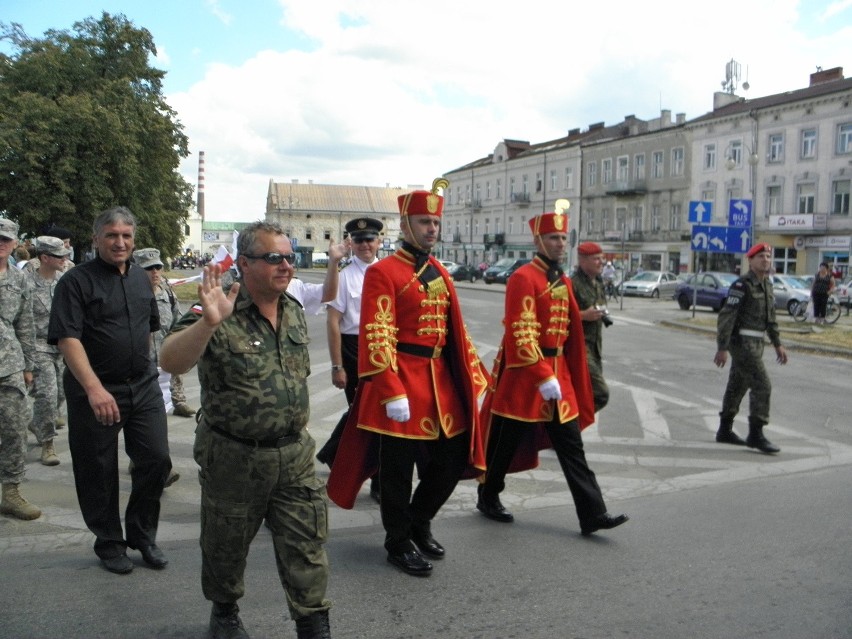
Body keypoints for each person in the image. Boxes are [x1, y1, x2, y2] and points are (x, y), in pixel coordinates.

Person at [159, 221, 332, 639]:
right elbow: (170, 361)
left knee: (306, 548)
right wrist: (208, 325)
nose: (286, 265)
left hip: (293, 456)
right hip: (235, 457)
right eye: (274, 258)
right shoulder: (217, 306)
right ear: (245, 263)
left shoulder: (291, 308)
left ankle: (314, 625)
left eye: (289, 257)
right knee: (226, 545)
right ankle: (225, 611)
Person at [327, 179, 489, 578]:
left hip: (440, 382)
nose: (432, 228)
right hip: (401, 381)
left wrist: (476, 376)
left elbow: (456, 330)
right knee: (396, 471)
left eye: (435, 221)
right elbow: (376, 331)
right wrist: (389, 386)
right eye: (423, 221)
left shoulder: (438, 271)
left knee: (452, 458)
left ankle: (419, 521)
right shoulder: (383, 271)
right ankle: (398, 541)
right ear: (405, 224)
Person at [476, 209, 628, 537]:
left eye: (563, 237)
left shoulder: (561, 279)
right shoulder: (523, 278)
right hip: (525, 375)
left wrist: (569, 372)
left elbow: (571, 329)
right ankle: (488, 495)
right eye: (553, 238)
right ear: (538, 241)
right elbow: (521, 332)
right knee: (504, 443)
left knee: (572, 446)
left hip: (559, 377)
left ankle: (593, 514)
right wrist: (543, 375)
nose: (560, 243)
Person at [48, 206, 172, 574]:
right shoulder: (76, 282)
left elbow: (150, 328)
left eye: (126, 236)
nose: (120, 242)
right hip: (96, 391)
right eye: (112, 235)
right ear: (96, 239)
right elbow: (67, 339)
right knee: (97, 470)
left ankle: (142, 534)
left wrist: (148, 369)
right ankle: (109, 542)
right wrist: (94, 389)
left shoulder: (140, 278)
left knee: (156, 460)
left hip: (142, 386)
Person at [316, 217, 383, 503]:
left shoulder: (390, 273)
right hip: (355, 350)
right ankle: (379, 480)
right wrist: (337, 365)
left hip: (385, 347)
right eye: (359, 240)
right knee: (364, 415)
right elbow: (333, 323)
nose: (365, 245)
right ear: (351, 244)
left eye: (370, 239)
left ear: (380, 241)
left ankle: (332, 452)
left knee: (383, 413)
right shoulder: (344, 277)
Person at [714, 243, 788, 453]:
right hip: (743, 343)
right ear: (751, 260)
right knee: (762, 385)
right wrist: (723, 347)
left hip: (757, 343)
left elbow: (771, 319)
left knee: (738, 384)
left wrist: (778, 344)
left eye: (768, 256)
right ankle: (756, 433)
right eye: (761, 256)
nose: (766, 260)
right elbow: (727, 316)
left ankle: (724, 429)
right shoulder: (742, 285)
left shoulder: (767, 285)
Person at [0, 218, 41, 521]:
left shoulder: (19, 279)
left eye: (5, 239)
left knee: (15, 429)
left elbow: (25, 324)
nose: (0, 244)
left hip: (9, 365)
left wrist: (29, 365)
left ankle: (11, 492)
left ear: (15, 244)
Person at [131, 247, 182, 487]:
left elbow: (178, 324)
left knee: (158, 416)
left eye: (158, 267)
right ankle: (156, 465)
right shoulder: (128, 292)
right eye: (149, 268)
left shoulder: (167, 292)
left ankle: (152, 463)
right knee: (141, 418)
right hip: (135, 368)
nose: (155, 272)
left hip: (162, 365)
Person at [25, 236, 72, 467]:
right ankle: (47, 443)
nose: (65, 259)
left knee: (62, 393)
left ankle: (38, 422)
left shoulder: (64, 282)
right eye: (59, 256)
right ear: (44, 258)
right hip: (38, 346)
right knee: (48, 393)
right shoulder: (26, 283)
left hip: (62, 346)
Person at [571, 242, 611, 412]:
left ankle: (568, 432)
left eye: (601, 258)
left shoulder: (599, 282)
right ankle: (568, 428)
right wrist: (582, 316)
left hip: (595, 348)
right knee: (601, 393)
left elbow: (600, 304)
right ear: (582, 261)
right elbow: (558, 316)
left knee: (585, 394)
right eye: (596, 259)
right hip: (580, 348)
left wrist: (603, 313)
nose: (600, 262)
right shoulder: (572, 284)